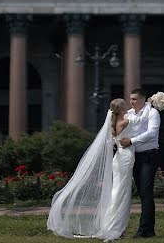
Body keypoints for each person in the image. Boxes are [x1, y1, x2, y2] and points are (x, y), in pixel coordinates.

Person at [47, 97, 152, 240]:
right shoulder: (124, 121)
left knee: (118, 190)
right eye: (125, 106)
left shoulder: (115, 122)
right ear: (121, 109)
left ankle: (114, 225)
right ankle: (115, 227)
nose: (128, 107)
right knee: (121, 192)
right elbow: (143, 117)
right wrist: (149, 104)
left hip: (119, 158)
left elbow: (132, 115)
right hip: (125, 158)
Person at [120, 89, 161, 239]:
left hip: (149, 156)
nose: (131, 102)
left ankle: (144, 230)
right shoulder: (130, 114)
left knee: (146, 193)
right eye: (130, 99)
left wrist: (132, 141)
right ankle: (148, 231)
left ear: (143, 99)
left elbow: (152, 132)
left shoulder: (152, 113)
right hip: (134, 156)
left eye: (135, 99)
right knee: (142, 193)